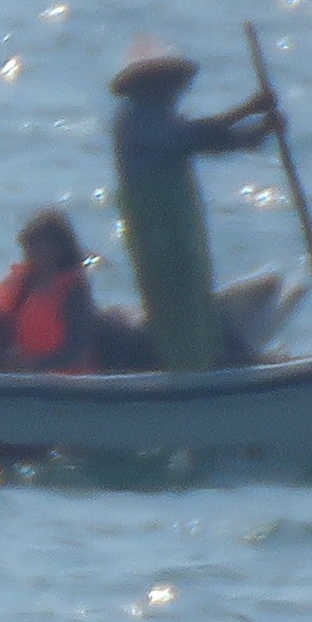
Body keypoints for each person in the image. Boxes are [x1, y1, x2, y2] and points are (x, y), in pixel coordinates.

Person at [108, 38, 278, 374]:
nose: (173, 89)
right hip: (158, 237)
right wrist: (249, 109)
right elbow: (193, 135)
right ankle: (188, 372)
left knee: (196, 296)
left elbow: (211, 141)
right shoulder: (136, 121)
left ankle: (211, 362)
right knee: (175, 307)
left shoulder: (162, 118)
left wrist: (260, 131)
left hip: (182, 231)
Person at [0, 210, 109, 373]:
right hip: (27, 378)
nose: (29, 256)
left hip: (68, 382)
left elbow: (76, 351)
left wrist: (34, 367)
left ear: (57, 249)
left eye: (36, 249)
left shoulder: (74, 289)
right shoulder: (26, 284)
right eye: (27, 249)